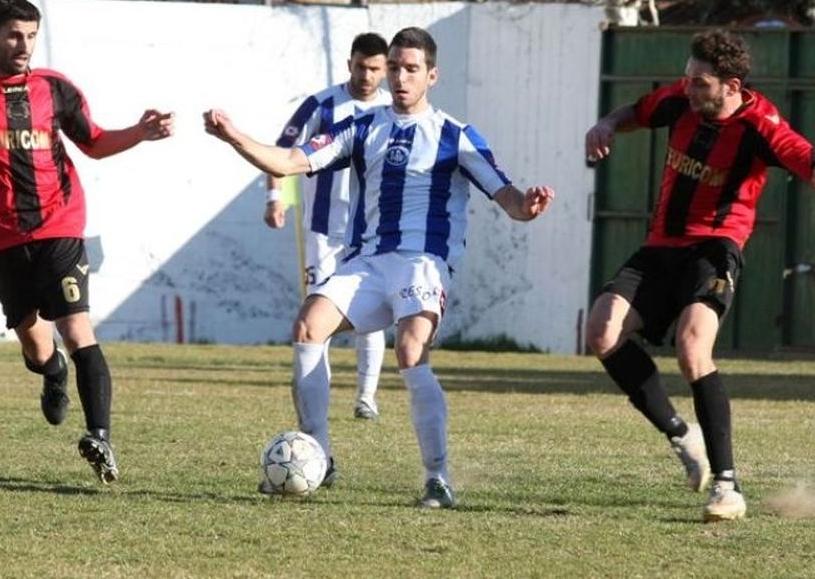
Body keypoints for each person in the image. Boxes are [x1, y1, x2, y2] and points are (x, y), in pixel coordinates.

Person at [205, 26, 555, 508]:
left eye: (411, 69)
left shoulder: (456, 136)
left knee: (410, 351)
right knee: (309, 326)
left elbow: (509, 198)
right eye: (394, 67)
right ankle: (320, 456)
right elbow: (288, 162)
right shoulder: (363, 127)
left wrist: (528, 206)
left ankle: (437, 478)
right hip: (369, 263)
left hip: (424, 265)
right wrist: (233, 137)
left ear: (431, 75)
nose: (400, 77)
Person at [583, 29, 815, 522]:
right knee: (601, 332)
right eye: (688, 78)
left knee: (693, 349)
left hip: (715, 250)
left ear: (731, 85)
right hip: (660, 247)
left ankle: (728, 487)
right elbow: (636, 112)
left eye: (700, 83)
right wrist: (605, 126)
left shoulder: (762, 126)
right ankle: (681, 434)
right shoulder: (680, 99)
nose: (688, 88)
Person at [0, 0, 174, 484]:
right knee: (38, 347)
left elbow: (95, 142)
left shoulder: (55, 89)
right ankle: (52, 373)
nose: (24, 45)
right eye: (14, 35)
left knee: (77, 330)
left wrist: (139, 133)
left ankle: (99, 436)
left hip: (60, 224)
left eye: (31, 35)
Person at [265, 32, 391, 421]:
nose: (366, 75)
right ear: (349, 64)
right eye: (360, 66)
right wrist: (275, 198)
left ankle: (366, 397)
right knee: (316, 314)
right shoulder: (321, 104)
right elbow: (281, 150)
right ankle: (319, 400)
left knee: (368, 313)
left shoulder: (393, 110)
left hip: (370, 231)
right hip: (322, 228)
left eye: (374, 68)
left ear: (385, 70)